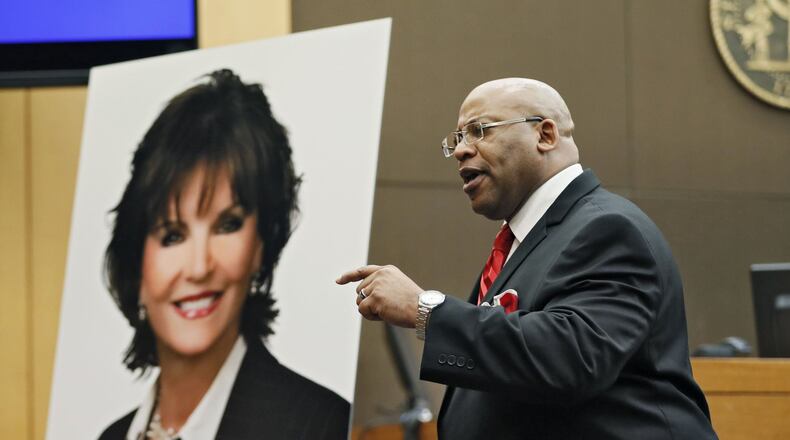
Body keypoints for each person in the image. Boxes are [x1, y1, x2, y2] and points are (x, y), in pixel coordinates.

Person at [337, 78, 718, 439]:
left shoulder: (608, 229)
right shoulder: (525, 240)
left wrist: (425, 310)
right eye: (457, 138)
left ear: (545, 134)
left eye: (480, 131)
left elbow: (571, 358)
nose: (460, 150)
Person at [99, 69, 349, 440]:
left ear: (261, 245)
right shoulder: (111, 436)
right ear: (136, 262)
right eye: (172, 235)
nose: (200, 267)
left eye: (227, 225)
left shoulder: (322, 426)